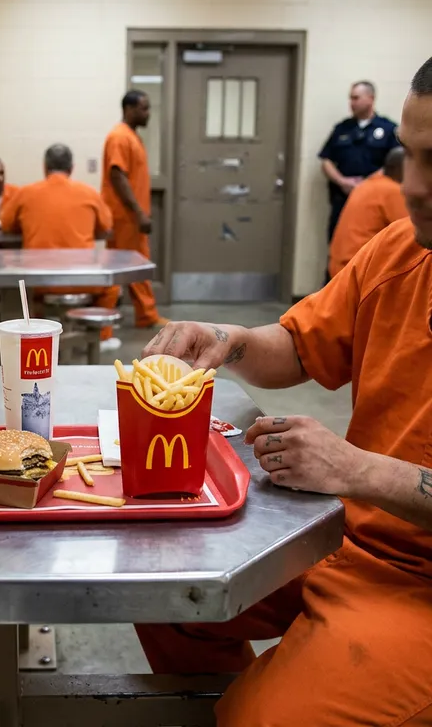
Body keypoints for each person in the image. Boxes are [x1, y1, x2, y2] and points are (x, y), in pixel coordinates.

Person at [136, 57, 432, 726]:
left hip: (419, 587)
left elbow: (365, 474)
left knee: (263, 718)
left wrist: (358, 470)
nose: (412, 187)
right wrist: (228, 340)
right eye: (408, 156)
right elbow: (302, 345)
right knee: (160, 584)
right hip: (348, 539)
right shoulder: (400, 254)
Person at [1, 144, 120, 346]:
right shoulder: (89, 193)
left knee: (24, 290)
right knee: (111, 287)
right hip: (83, 280)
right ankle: (102, 337)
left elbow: (5, 224)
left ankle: (37, 332)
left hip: (38, 283)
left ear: (44, 167)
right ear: (71, 168)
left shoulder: (25, 193)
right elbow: (107, 226)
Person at [101, 90, 168, 331]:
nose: (148, 113)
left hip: (131, 216)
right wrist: (138, 212)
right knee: (120, 268)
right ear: (129, 109)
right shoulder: (120, 137)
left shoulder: (130, 136)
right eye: (144, 108)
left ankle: (145, 315)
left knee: (132, 266)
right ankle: (103, 327)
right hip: (124, 217)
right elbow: (117, 175)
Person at [320, 81, 399, 243]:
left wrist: (367, 184)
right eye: (350, 98)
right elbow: (326, 160)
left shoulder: (389, 129)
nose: (352, 103)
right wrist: (342, 181)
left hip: (375, 202)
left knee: (372, 247)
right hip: (343, 199)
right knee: (338, 243)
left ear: (370, 98)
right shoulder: (342, 128)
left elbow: (397, 164)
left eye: (356, 98)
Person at [328, 147, 407, 278]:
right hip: (360, 272)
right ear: (401, 169)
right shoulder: (393, 191)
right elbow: (413, 235)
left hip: (340, 267)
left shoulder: (367, 184)